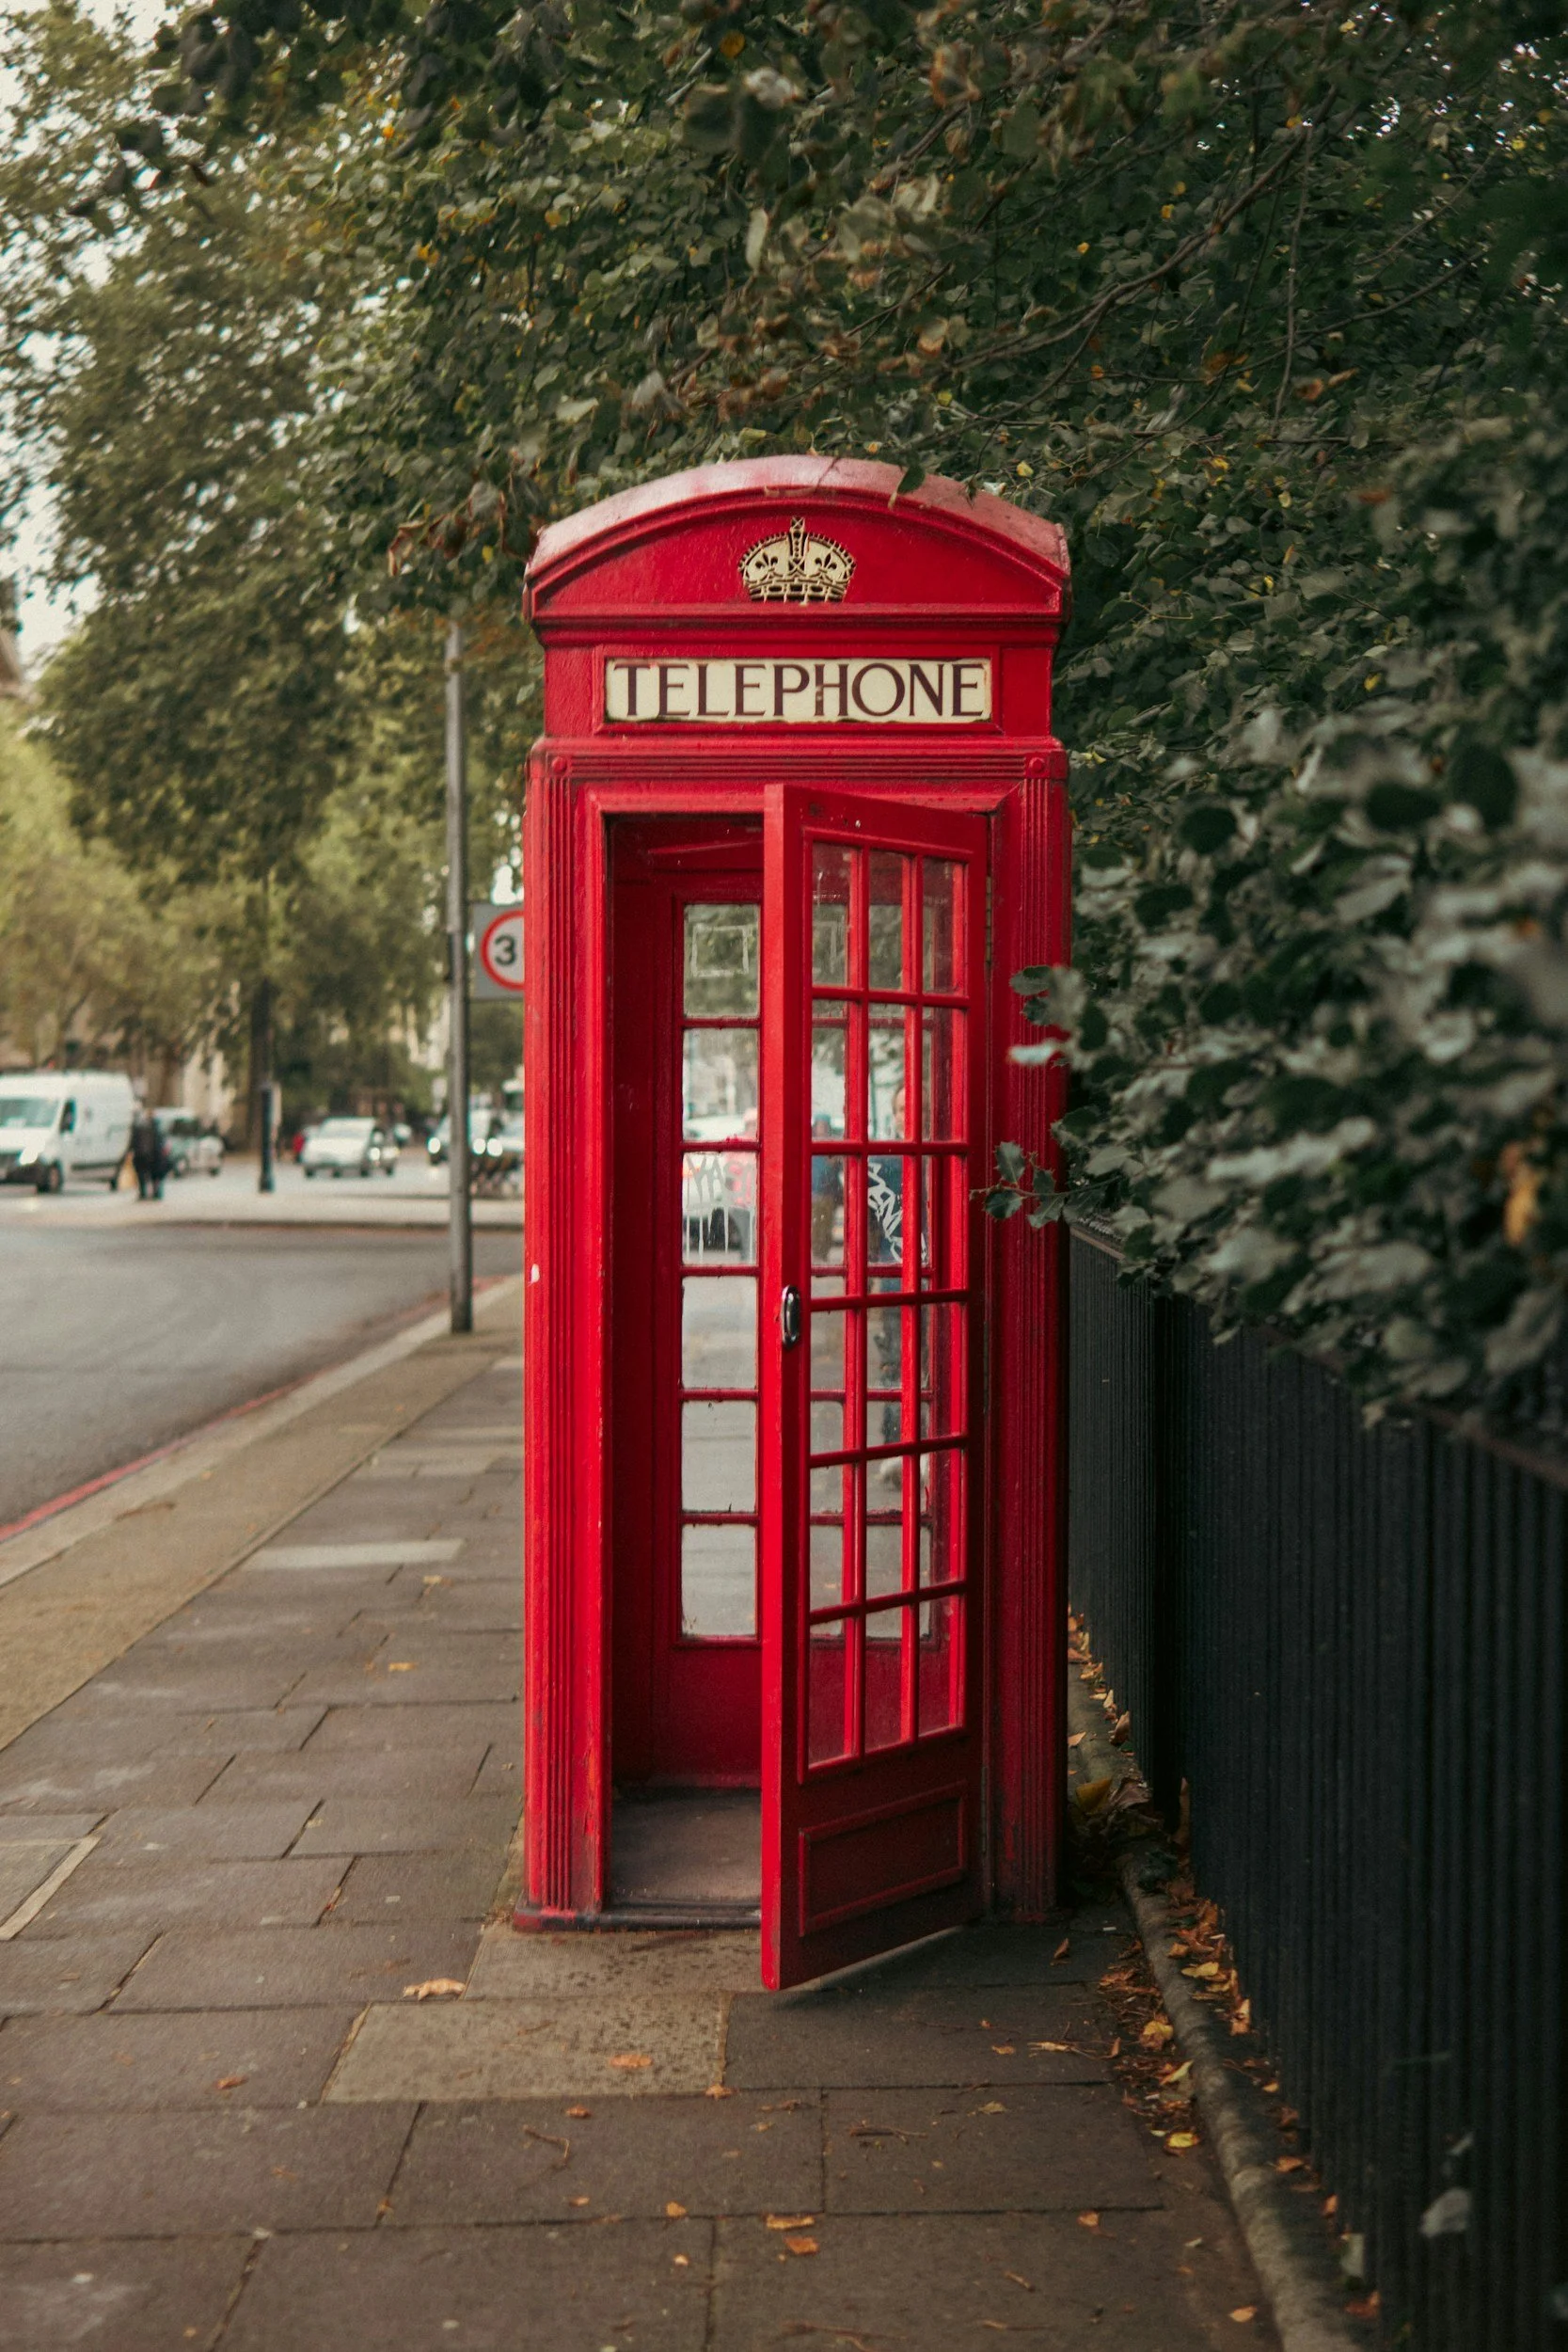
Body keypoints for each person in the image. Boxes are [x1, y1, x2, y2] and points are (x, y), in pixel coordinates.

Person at [130, 1105, 168, 1201]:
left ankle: (146, 1193)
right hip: (153, 1156)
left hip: (145, 1155)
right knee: (155, 1176)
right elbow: (161, 1142)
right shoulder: (157, 1127)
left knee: (145, 1176)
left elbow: (134, 1141)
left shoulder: (141, 1127)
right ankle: (155, 1193)